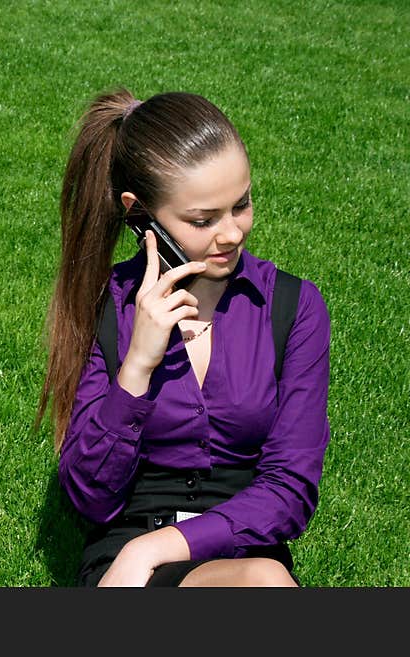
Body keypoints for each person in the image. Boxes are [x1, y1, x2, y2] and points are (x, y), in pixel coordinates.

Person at [37, 88, 330, 587]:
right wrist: (136, 369)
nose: (233, 233)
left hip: (238, 553)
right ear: (140, 214)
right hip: (122, 553)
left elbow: (290, 489)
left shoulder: (293, 307)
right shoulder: (104, 307)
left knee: (263, 581)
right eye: (203, 220)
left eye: (241, 205)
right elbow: (90, 496)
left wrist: (152, 549)